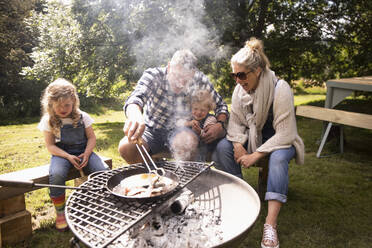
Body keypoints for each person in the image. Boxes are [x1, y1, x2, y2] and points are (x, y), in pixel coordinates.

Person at [212, 38, 304, 248]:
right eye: (234, 75)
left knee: (279, 158)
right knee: (222, 148)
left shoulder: (280, 88)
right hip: (254, 141)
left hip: (280, 141)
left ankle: (270, 225)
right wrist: (237, 144)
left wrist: (255, 154)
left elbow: (286, 134)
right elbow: (234, 123)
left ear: (258, 71)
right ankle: (240, 198)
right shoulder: (239, 92)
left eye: (242, 75)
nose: (237, 80)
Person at [118, 49, 228, 164]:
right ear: (169, 66)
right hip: (152, 130)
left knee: (186, 142)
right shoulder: (154, 75)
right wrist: (135, 115)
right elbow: (135, 98)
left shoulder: (199, 80)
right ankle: (154, 176)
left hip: (182, 129)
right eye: (176, 76)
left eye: (185, 79)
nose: (179, 83)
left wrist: (220, 124)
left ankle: (186, 178)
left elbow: (221, 105)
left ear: (193, 73)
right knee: (126, 147)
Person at [38, 78, 109, 231]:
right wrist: (68, 157)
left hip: (84, 151)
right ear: (51, 104)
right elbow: (50, 146)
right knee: (56, 174)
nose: (63, 109)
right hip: (61, 154)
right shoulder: (48, 120)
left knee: (103, 171)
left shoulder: (82, 116)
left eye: (67, 105)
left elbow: (91, 137)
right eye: (58, 105)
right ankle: (60, 212)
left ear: (74, 102)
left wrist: (87, 154)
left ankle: (103, 205)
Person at [174, 89, 218, 161]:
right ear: (191, 107)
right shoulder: (189, 117)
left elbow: (208, 135)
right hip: (189, 146)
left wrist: (200, 132)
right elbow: (178, 123)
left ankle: (198, 169)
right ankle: (184, 168)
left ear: (209, 109)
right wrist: (189, 123)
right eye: (195, 109)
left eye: (203, 110)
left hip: (204, 147)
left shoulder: (210, 119)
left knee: (199, 155)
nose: (198, 112)